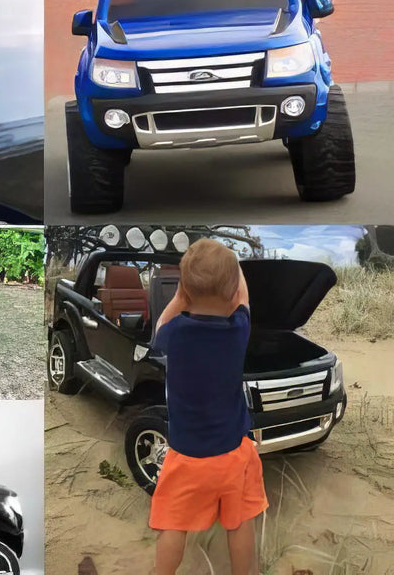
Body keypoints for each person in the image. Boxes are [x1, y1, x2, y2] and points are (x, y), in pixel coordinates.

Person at [149, 239, 265, 575]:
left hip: (186, 457)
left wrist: (178, 298)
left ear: (184, 290)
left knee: (173, 523)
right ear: (231, 292)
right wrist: (235, 268)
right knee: (239, 522)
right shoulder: (237, 330)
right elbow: (243, 299)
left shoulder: (175, 334)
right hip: (232, 454)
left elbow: (158, 327)